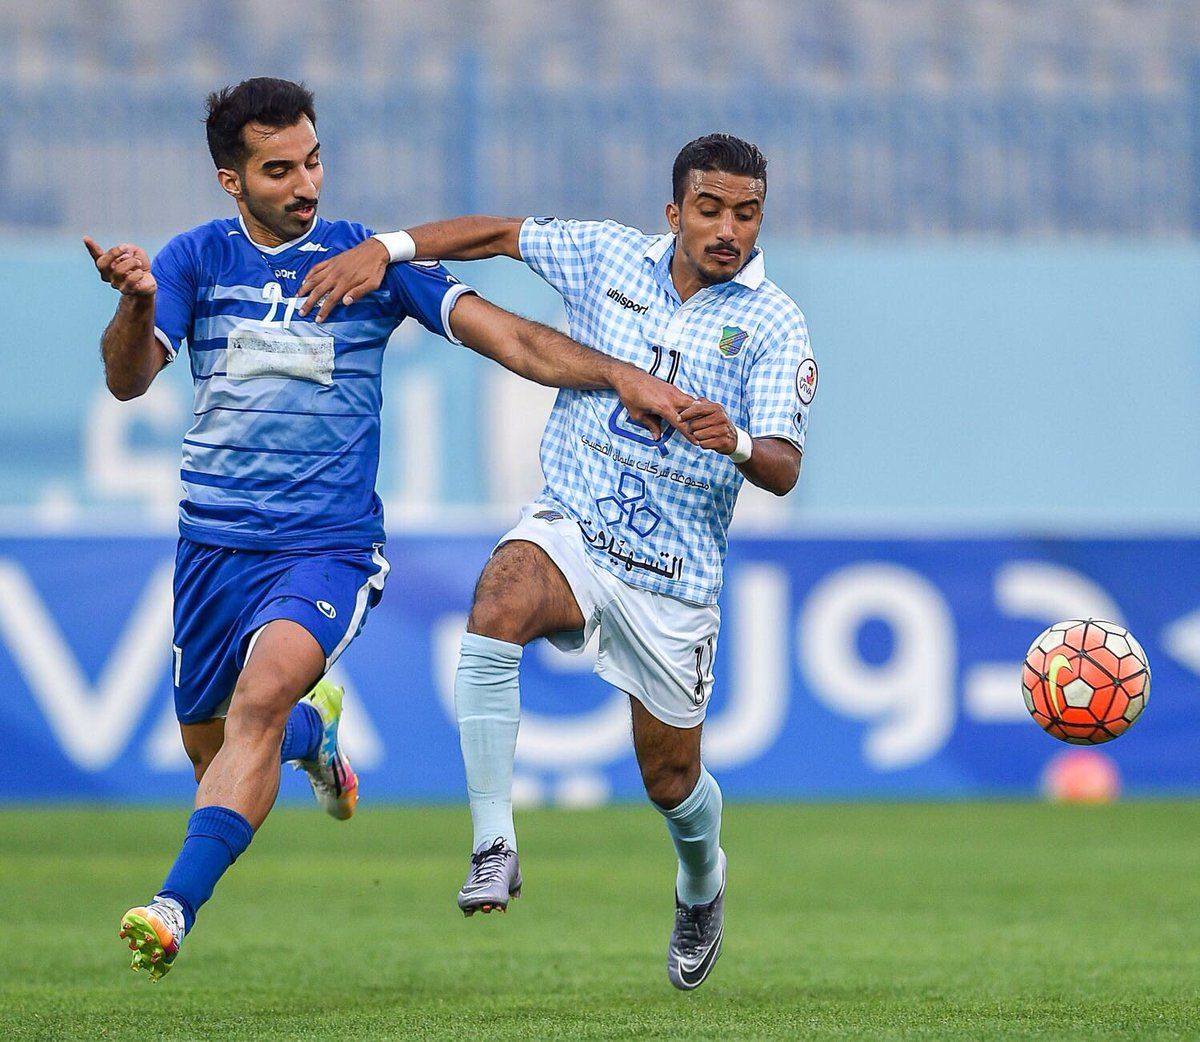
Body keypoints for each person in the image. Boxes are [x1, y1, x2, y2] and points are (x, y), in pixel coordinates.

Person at [84, 77, 692, 981]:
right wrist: (135, 302)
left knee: (253, 706)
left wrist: (622, 378)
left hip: (326, 547)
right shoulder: (195, 261)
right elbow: (128, 381)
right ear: (230, 180)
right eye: (279, 169)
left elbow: (513, 340)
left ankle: (172, 906)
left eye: (314, 160)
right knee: (215, 744)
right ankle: (311, 737)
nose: (306, 185)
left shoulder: (367, 263)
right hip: (211, 550)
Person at [298, 133, 817, 990]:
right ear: (675, 212)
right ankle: (494, 844)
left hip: (673, 580)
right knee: (499, 598)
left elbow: (785, 469)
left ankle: (702, 881)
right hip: (573, 525)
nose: (730, 229)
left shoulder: (773, 322)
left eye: (748, 213)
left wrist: (739, 443)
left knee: (671, 779)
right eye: (712, 209)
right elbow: (497, 235)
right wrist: (386, 247)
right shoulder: (605, 254)